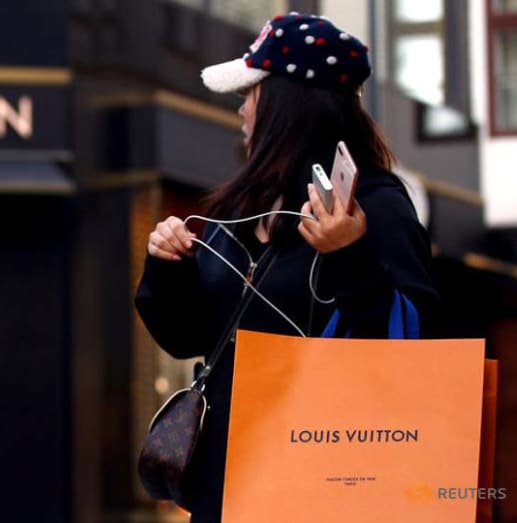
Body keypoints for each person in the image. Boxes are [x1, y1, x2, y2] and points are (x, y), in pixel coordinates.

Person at [134, 12, 438, 523]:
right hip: (230, 487)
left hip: (330, 488)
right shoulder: (243, 207)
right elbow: (188, 337)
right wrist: (169, 266)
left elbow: (413, 354)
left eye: (249, 93)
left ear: (283, 103)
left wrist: (350, 256)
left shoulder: (375, 208)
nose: (241, 110)